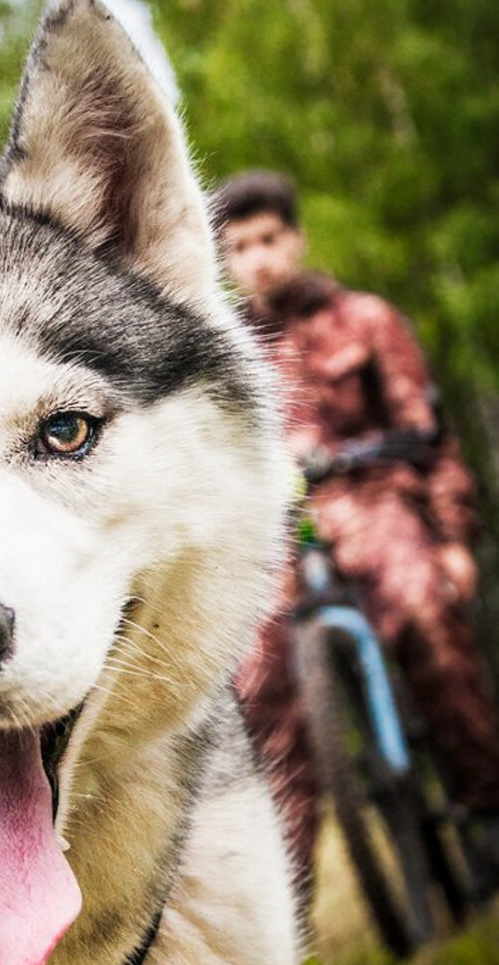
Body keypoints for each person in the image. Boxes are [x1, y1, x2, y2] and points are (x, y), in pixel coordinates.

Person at [213, 170, 499, 895]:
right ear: (223, 257)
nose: (258, 258)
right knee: (255, 680)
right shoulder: (227, 358)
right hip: (280, 531)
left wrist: (452, 537)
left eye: (270, 239)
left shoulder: (365, 319)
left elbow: (427, 436)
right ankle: (285, 899)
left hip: (375, 500)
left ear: (296, 238)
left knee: (422, 611)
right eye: (239, 245)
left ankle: (486, 806)